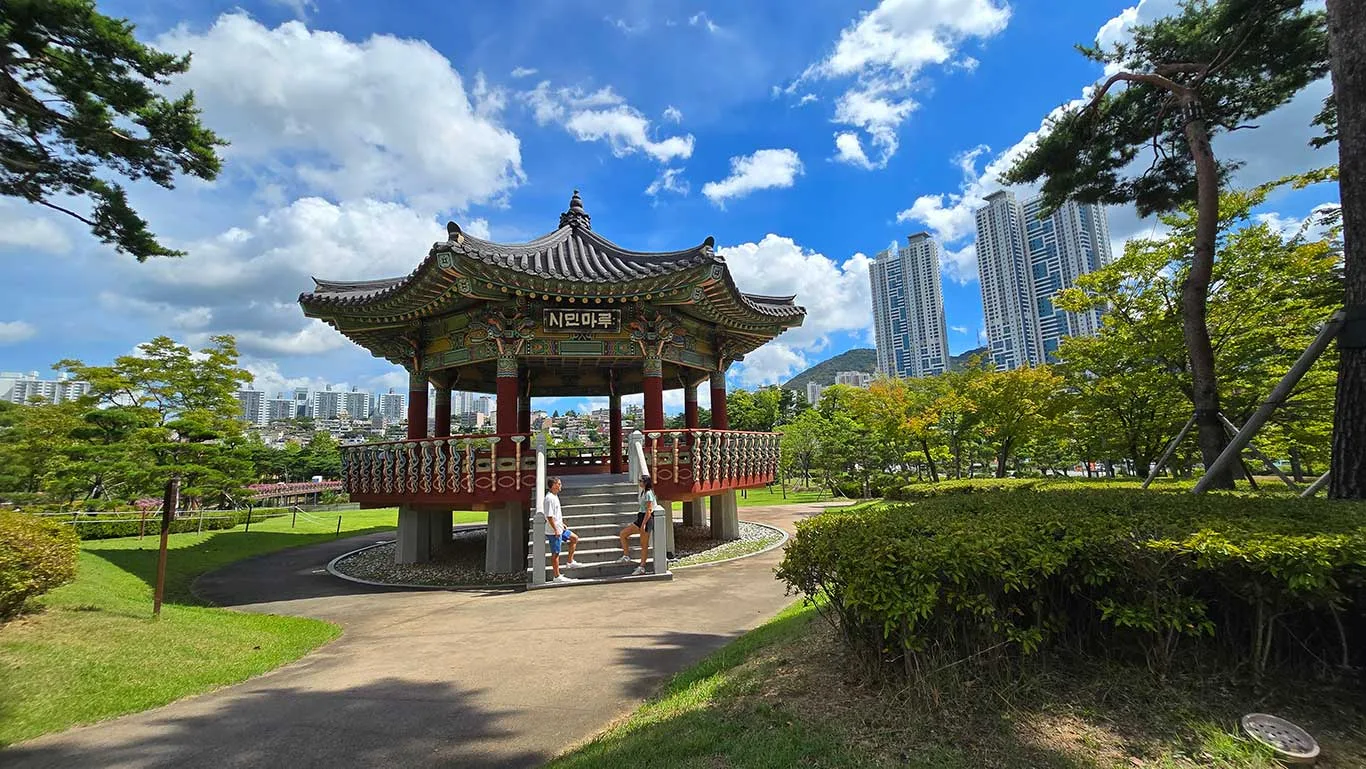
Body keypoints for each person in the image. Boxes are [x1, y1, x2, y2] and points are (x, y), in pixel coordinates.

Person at [617, 474, 658, 576]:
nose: (639, 482)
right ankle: (626, 555)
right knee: (623, 534)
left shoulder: (648, 493)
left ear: (646, 482)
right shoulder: (643, 492)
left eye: (641, 481)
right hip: (640, 518)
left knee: (644, 545)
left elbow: (649, 510)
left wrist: (643, 524)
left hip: (646, 519)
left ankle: (642, 567)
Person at [544, 477, 581, 583]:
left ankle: (570, 561)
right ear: (554, 485)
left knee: (574, 538)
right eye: (559, 484)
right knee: (556, 553)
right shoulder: (549, 498)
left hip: (559, 528)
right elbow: (549, 516)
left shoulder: (554, 496)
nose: (561, 486)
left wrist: (561, 524)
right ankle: (557, 576)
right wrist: (555, 529)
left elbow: (555, 515)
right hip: (554, 531)